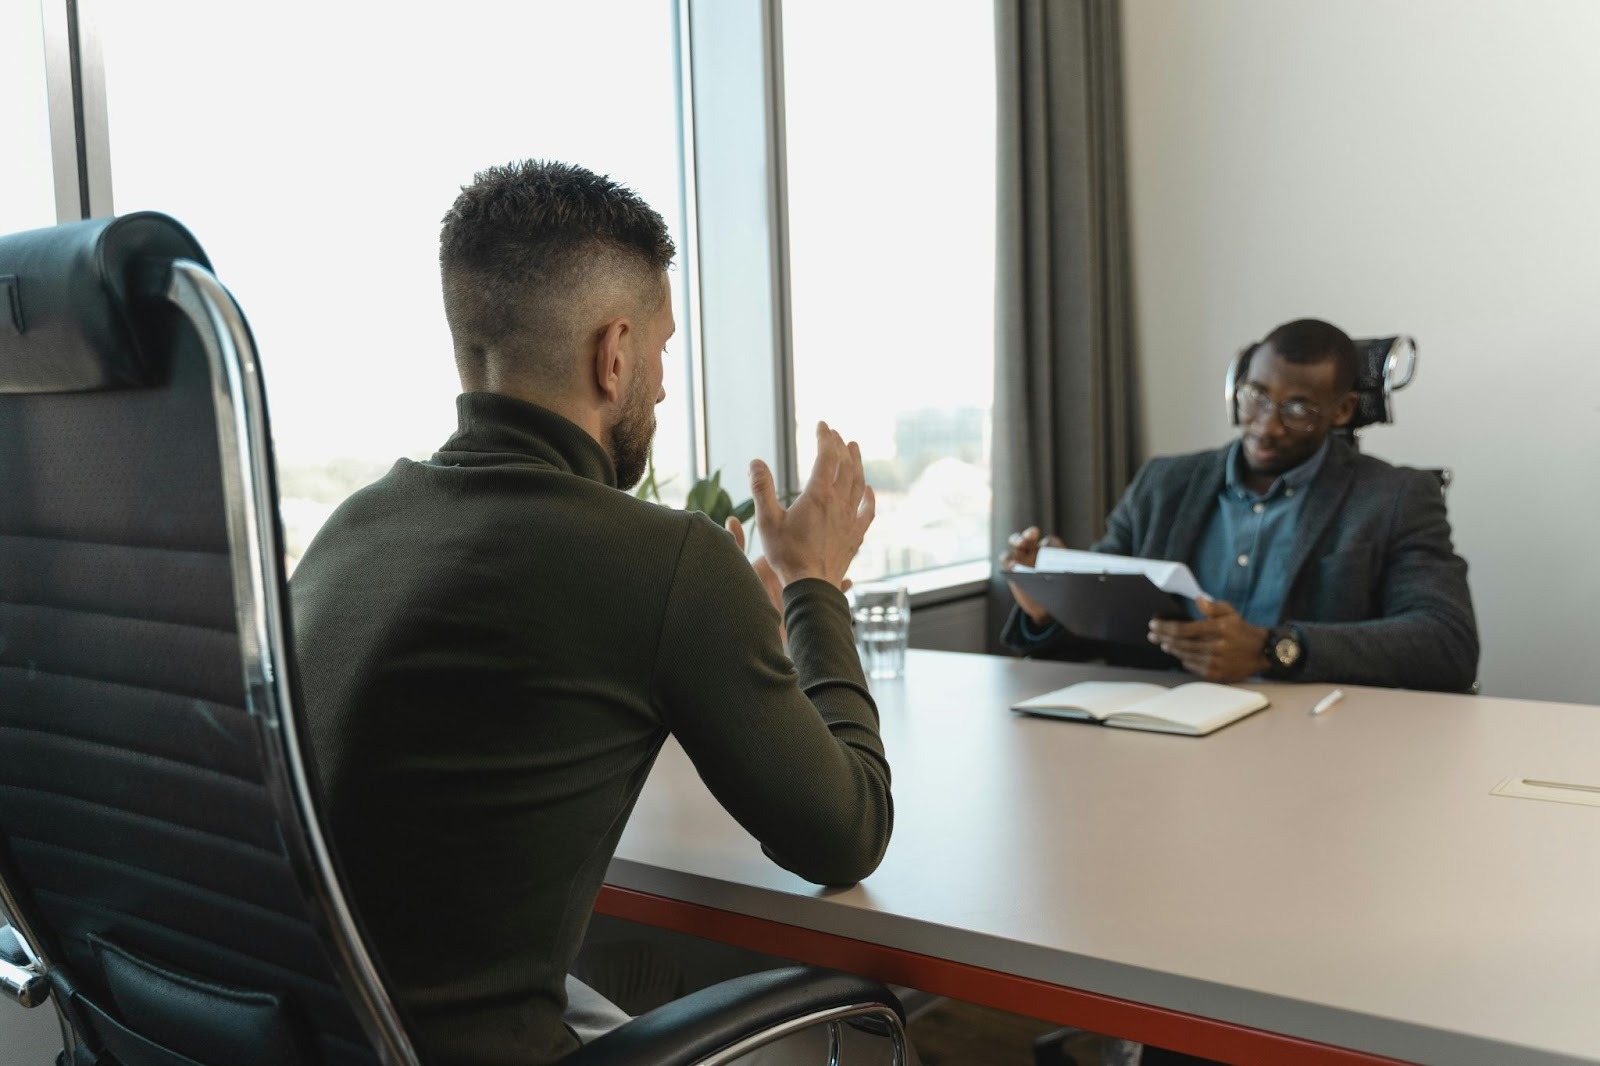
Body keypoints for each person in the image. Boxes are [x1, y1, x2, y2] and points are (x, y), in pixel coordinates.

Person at [289, 160, 896, 1065]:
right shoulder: (663, 558)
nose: (661, 385)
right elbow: (848, 833)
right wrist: (813, 582)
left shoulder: (351, 529)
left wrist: (725, 629)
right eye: (661, 350)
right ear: (613, 355)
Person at [1001, 318, 1478, 694]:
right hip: (1162, 725)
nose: (1266, 426)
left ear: (1343, 410)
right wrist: (1051, 601)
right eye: (1256, 397)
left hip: (1314, 736)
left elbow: (1447, 643)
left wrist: (1275, 648)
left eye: (1297, 409)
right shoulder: (1163, 484)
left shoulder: (1395, 497)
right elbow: (1101, 625)